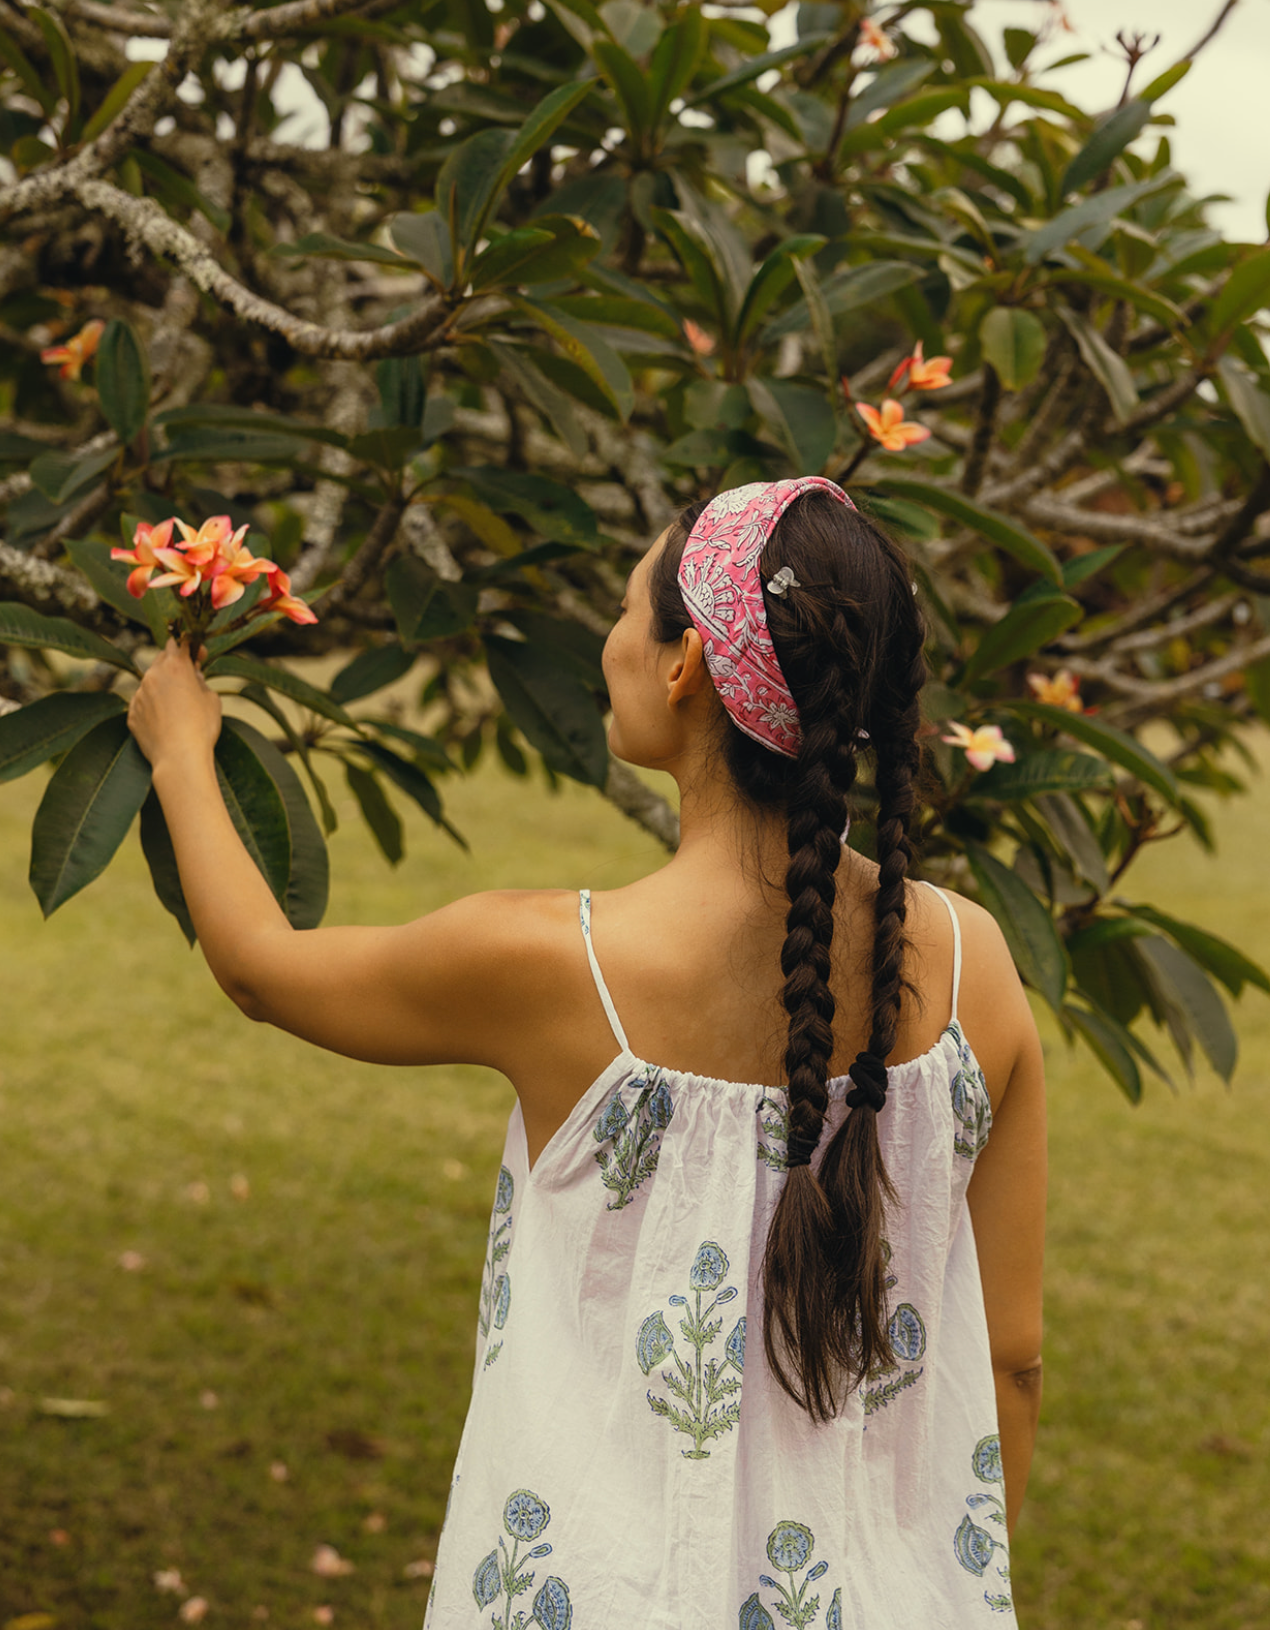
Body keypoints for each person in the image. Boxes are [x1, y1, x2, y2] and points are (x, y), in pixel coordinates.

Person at [127, 476, 1045, 1628]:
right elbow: (1011, 1355)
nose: (608, 641)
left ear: (684, 665)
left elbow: (262, 966)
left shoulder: (562, 968)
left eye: (624, 610)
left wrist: (179, 747)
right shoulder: (979, 970)